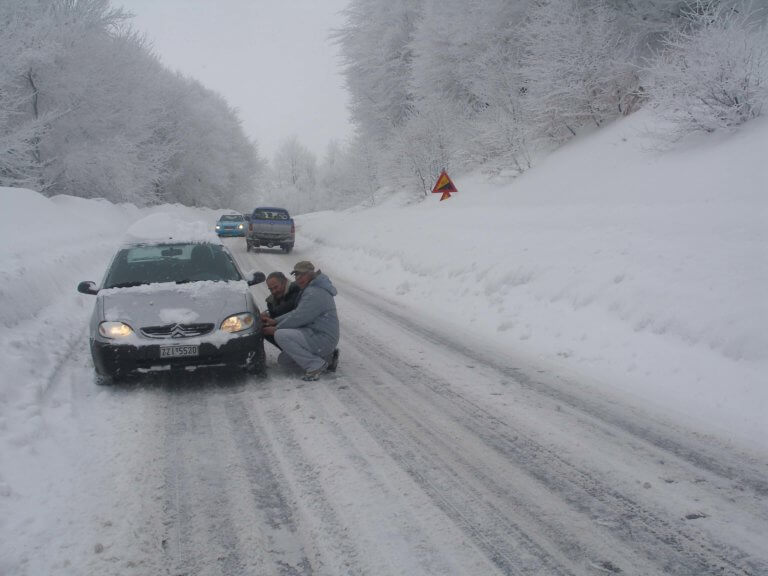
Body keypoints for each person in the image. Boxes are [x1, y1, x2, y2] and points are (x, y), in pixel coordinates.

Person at [263, 260, 339, 381]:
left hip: (322, 337)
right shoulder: (310, 288)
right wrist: (275, 321)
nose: (298, 278)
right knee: (284, 361)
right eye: (296, 275)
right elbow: (297, 312)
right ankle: (327, 359)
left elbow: (299, 317)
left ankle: (315, 365)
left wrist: (276, 328)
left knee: (281, 335)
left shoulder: (315, 292)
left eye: (302, 274)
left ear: (311, 274)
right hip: (316, 334)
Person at [260, 271, 302, 349]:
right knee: (263, 328)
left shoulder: (296, 289)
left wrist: (269, 314)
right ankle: (289, 352)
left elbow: (286, 308)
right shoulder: (272, 300)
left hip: (303, 330)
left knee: (270, 330)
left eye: (276, 287)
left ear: (285, 282)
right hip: (292, 328)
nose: (274, 291)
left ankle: (294, 352)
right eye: (271, 289)